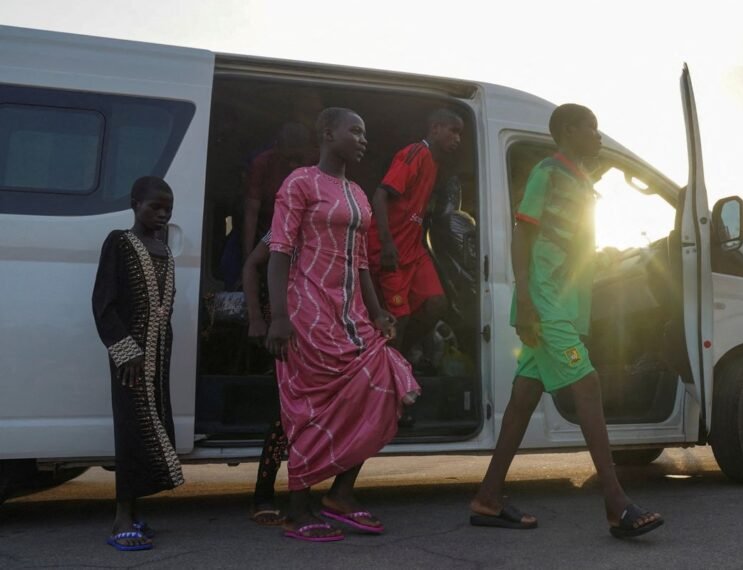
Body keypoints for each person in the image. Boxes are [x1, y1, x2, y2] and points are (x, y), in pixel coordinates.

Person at [468, 104, 663, 539]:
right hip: (545, 301)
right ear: (568, 132)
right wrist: (527, 300)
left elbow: (574, 247)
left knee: (523, 398)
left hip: (563, 304)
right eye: (590, 127)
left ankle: (488, 496)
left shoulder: (581, 180)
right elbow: (524, 234)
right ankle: (616, 503)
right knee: (587, 384)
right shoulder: (548, 173)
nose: (597, 134)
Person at [264, 107, 420, 542]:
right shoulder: (299, 182)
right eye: (355, 131)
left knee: (385, 387)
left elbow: (362, 264)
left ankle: (341, 495)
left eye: (365, 132)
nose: (363, 138)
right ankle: (297, 510)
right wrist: (278, 316)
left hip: (351, 315)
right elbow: (278, 252)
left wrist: (377, 311)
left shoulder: (359, 195)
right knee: (309, 410)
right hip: (308, 313)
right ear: (327, 134)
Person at [92, 176, 185, 551]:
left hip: (157, 356)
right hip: (130, 357)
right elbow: (103, 303)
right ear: (135, 204)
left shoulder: (162, 247)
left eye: (168, 209)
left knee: (152, 428)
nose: (162, 214)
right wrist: (124, 350)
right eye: (154, 207)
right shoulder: (120, 242)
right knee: (131, 432)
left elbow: (166, 305)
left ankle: (134, 511)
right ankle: (121, 518)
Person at [369, 109, 464, 359]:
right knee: (399, 318)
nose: (458, 139)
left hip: (413, 250)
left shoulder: (433, 163)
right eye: (453, 131)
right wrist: (387, 244)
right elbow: (379, 196)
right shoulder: (415, 153)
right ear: (435, 129)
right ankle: (390, 371)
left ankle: (402, 354)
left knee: (437, 304)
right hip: (391, 251)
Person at [241, 233, 289, 525]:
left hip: (321, 328)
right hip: (285, 330)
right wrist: (256, 316)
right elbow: (251, 266)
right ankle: (263, 495)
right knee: (283, 416)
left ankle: (305, 496)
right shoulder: (283, 225)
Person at [242, 122, 316, 259]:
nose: (293, 165)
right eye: (288, 159)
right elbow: (251, 213)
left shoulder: (316, 166)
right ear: (278, 148)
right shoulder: (263, 163)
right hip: (267, 228)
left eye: (298, 159)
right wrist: (247, 258)